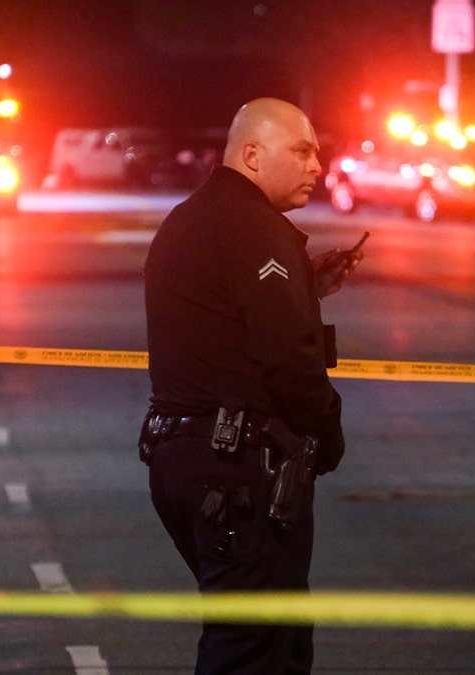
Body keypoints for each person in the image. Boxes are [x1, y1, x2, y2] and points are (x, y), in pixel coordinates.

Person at [140, 98, 362, 674]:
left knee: (278, 636)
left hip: (181, 459)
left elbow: (222, 314)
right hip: (236, 470)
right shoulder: (259, 229)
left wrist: (302, 285)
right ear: (253, 154)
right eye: (302, 150)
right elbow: (292, 359)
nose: (318, 165)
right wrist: (329, 434)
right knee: (252, 647)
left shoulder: (189, 218)